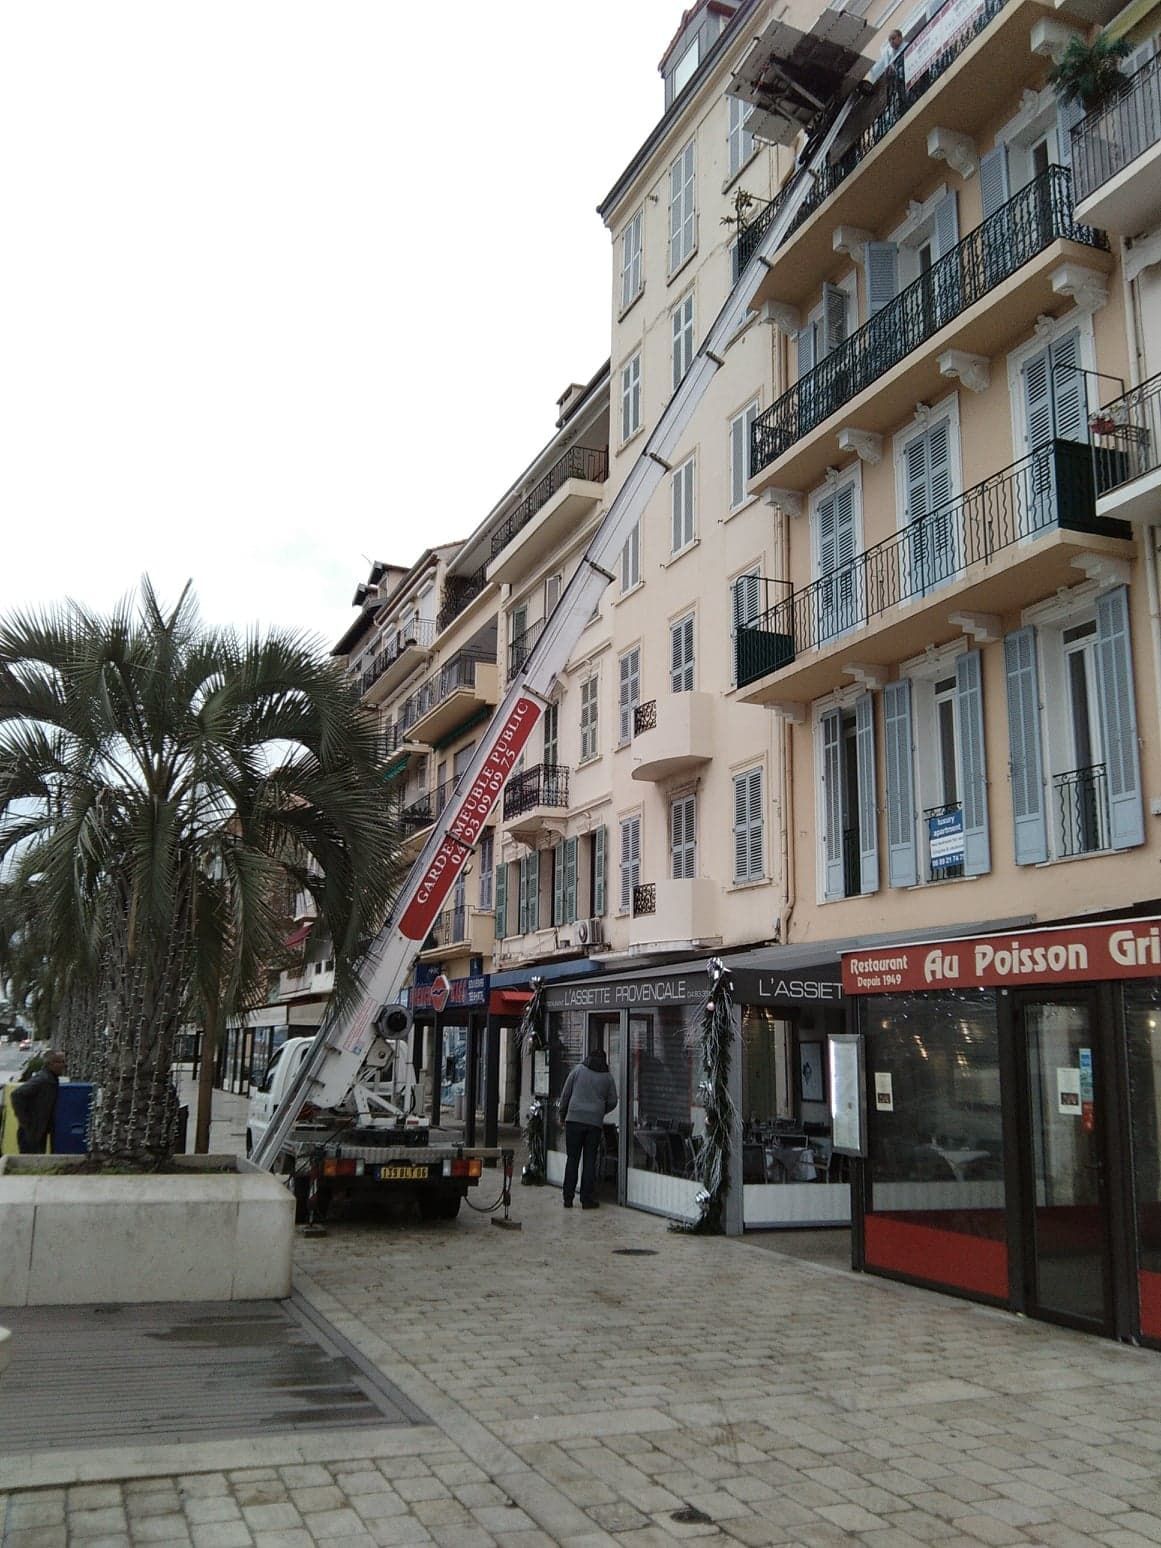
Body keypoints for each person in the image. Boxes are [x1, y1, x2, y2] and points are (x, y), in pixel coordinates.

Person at [558, 1048, 617, 1210]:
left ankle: (568, 1198)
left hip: (574, 1120)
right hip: (594, 1124)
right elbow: (613, 1101)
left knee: (572, 1159)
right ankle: (586, 1199)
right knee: (590, 1161)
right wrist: (600, 1110)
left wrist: (562, 1114)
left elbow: (566, 1094)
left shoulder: (578, 1070)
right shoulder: (607, 1077)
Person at [11, 1049, 66, 1154]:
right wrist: (26, 1122)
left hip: (39, 1131)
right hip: (32, 1132)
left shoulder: (51, 1079)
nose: (64, 1065)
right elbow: (17, 1095)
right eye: (60, 1062)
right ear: (50, 1064)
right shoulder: (43, 1079)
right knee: (31, 1160)